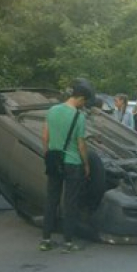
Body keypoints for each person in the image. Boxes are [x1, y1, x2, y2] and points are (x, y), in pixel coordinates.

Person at [38, 78, 93, 254]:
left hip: (54, 161)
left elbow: (44, 137)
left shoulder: (52, 110)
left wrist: (48, 155)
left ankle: (46, 239)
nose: (83, 105)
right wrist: (86, 164)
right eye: (84, 101)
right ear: (81, 98)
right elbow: (81, 145)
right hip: (73, 163)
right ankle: (68, 242)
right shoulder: (79, 116)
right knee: (70, 203)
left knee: (51, 199)